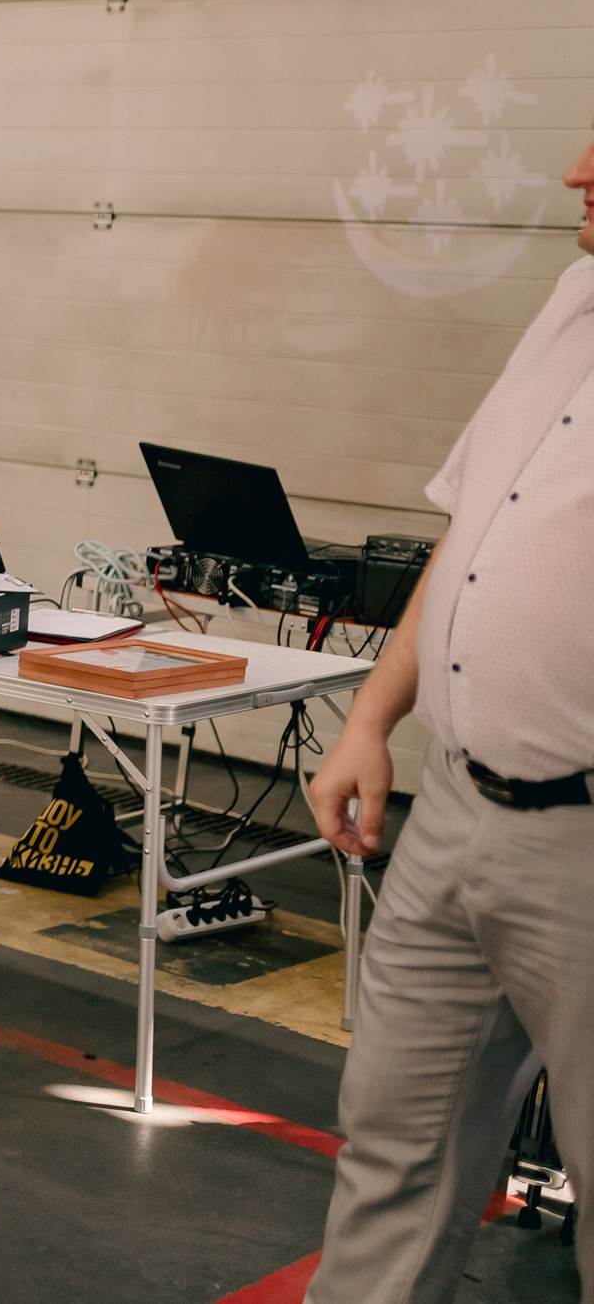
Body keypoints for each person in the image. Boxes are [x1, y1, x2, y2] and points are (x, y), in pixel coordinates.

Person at [301, 129, 594, 1302]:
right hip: (453, 814)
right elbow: (470, 534)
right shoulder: (572, 298)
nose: (575, 170)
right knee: (391, 1149)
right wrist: (372, 715)